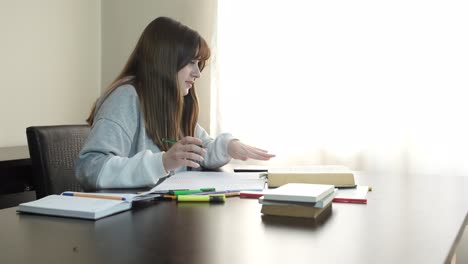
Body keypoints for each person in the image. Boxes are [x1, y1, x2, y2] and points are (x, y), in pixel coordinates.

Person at [75, 17, 275, 191]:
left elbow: (201, 150)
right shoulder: (125, 98)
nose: (197, 73)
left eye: (199, 64)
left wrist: (227, 146)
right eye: (191, 62)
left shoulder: (169, 104)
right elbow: (91, 168)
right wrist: (162, 162)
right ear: (166, 61)